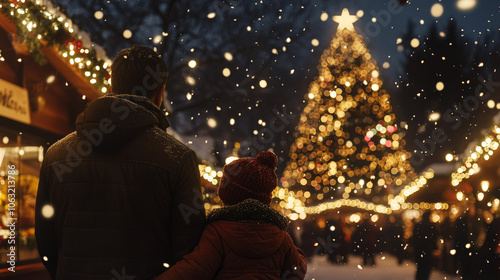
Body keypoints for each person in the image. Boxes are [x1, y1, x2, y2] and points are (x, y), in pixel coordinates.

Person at [35, 45, 206, 280]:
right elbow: (188, 250)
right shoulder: (178, 158)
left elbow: (46, 244)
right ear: (160, 92)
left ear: (111, 86)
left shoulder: (56, 156)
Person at [156, 151, 307, 280]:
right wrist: (298, 253)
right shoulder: (281, 236)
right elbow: (297, 272)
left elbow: (193, 270)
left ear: (228, 195)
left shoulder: (218, 232)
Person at [412, 211, 438, 280]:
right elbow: (435, 237)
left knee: (420, 267)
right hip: (427, 249)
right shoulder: (431, 226)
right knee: (426, 268)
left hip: (419, 249)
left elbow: (414, 237)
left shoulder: (418, 225)